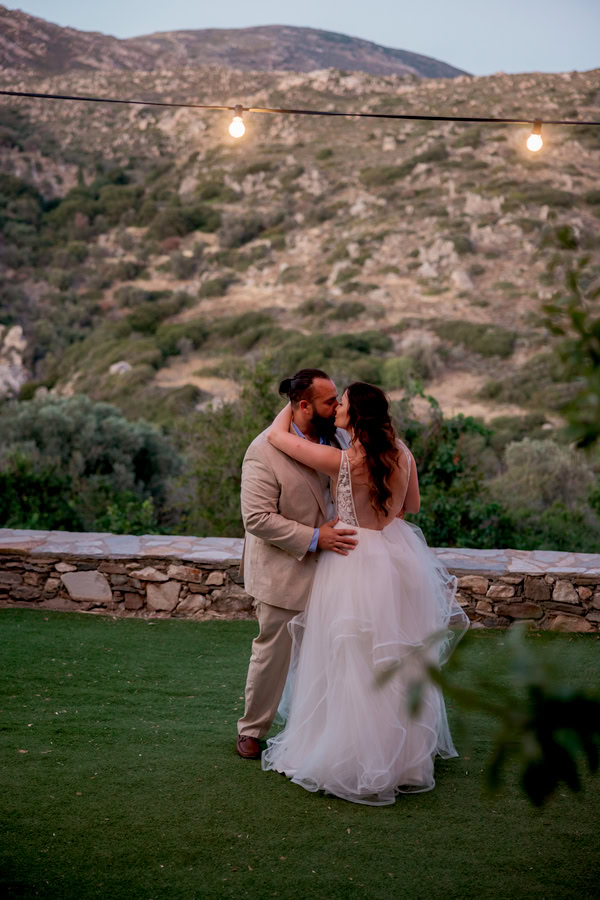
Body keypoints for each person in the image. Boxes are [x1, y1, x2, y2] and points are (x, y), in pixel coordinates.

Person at [261, 381, 469, 805]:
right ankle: (402, 759)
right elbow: (411, 507)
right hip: (396, 560)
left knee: (350, 659)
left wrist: (291, 401)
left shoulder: (341, 460)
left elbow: (276, 437)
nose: (336, 408)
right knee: (396, 659)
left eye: (343, 405)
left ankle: (350, 755)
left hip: (353, 558)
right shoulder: (403, 453)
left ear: (356, 416)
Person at [236, 368, 357, 760]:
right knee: (273, 653)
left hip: (338, 568)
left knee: (331, 653)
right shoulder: (262, 450)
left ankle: (321, 731)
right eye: (329, 401)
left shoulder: (339, 437)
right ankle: (252, 730)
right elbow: (256, 518)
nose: (337, 406)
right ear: (304, 406)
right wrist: (315, 538)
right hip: (283, 570)